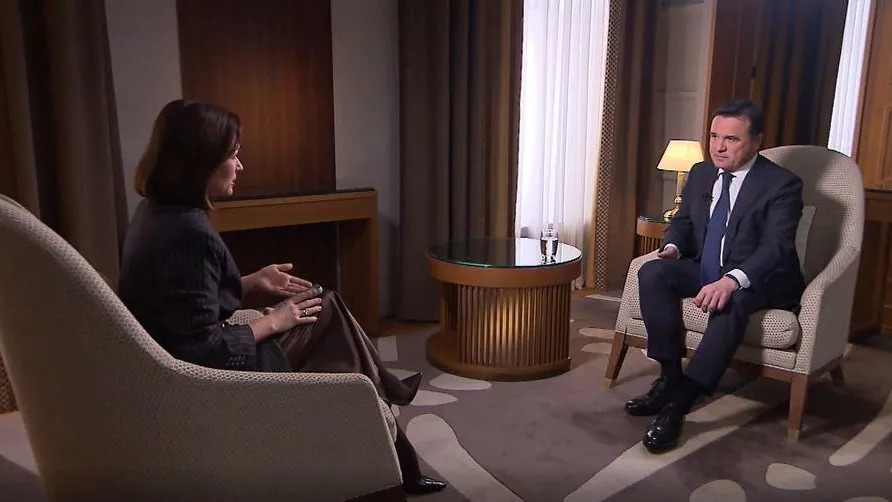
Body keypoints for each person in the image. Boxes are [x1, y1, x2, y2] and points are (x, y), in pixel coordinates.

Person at [118, 99, 446, 495]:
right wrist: (273, 321)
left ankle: (385, 414)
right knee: (324, 311)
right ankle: (386, 420)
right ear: (201, 163)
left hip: (176, 362)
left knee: (325, 306)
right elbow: (202, 350)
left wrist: (250, 282)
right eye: (233, 155)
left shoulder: (154, 213)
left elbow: (181, 300)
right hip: (210, 380)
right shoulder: (188, 233)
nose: (240, 166)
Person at [627, 99, 805, 454]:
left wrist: (732, 280)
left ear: (756, 141)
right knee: (653, 272)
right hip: (708, 267)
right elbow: (682, 222)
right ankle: (669, 376)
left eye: (731, 139)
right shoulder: (701, 172)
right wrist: (673, 247)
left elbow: (777, 247)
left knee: (731, 301)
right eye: (714, 136)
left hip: (760, 277)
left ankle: (681, 402)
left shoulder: (782, 184)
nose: (719, 147)